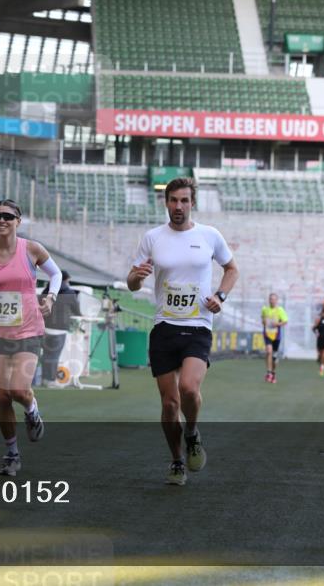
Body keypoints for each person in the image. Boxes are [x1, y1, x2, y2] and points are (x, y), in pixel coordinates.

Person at [127, 176, 239, 486]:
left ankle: (191, 432)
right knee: (169, 404)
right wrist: (136, 276)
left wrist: (221, 296)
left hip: (197, 325)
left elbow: (232, 269)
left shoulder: (209, 235)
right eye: (173, 200)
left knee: (189, 388)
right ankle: (176, 461)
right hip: (164, 327)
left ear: (193, 203)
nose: (179, 206)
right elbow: (132, 282)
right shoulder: (152, 237)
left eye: (184, 201)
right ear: (166, 203)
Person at [0, 199, 63, 477]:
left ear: (18, 221)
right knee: (1, 396)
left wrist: (51, 297)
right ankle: (12, 453)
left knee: (18, 390)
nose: (2, 220)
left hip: (27, 329)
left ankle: (32, 410)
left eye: (8, 216)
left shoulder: (31, 249)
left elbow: (55, 274)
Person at [38, 270, 81, 387]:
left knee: (46, 354)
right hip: (60, 329)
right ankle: (50, 380)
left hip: (45, 328)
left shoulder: (46, 291)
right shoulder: (70, 293)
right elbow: (77, 310)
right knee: (54, 355)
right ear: (66, 280)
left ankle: (43, 379)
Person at [260, 293, 288, 383]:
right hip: (267, 334)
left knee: (275, 357)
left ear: (276, 300)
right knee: (269, 351)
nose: (272, 301)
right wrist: (264, 322)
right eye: (270, 299)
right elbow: (263, 320)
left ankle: (273, 372)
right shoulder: (265, 309)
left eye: (274, 299)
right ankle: (268, 373)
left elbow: (285, 321)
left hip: (276, 335)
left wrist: (277, 324)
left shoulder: (280, 310)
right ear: (269, 300)